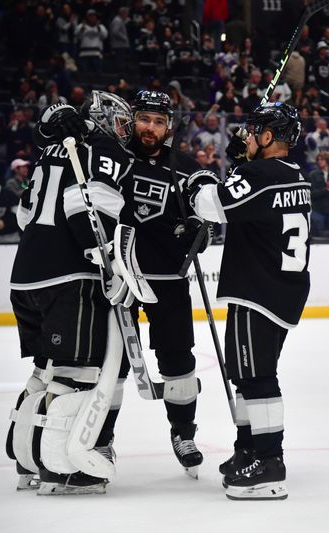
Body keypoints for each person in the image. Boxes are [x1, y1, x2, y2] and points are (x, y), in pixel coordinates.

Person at [7, 93, 134, 494]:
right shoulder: (103, 149)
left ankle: (26, 456)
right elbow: (87, 206)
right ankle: (60, 466)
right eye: (120, 123)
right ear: (102, 120)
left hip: (26, 275)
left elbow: (24, 215)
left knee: (45, 370)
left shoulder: (51, 151)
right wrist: (106, 263)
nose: (123, 132)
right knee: (75, 372)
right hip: (70, 278)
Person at [187, 102, 310, 500]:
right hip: (280, 290)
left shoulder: (259, 174)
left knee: (257, 378)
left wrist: (200, 179)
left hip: (257, 290)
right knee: (247, 375)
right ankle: (249, 449)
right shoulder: (293, 176)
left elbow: (213, 205)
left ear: (269, 137)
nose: (246, 136)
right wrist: (242, 168)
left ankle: (270, 463)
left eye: (254, 130)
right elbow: (253, 202)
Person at [120, 90, 213, 477]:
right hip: (118, 277)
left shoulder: (185, 167)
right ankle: (103, 438)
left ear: (169, 127)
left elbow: (206, 192)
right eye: (144, 119)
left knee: (178, 361)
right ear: (132, 121)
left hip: (167, 280)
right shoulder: (113, 158)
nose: (150, 128)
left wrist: (200, 226)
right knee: (114, 363)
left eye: (159, 122)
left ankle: (183, 432)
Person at [308, 151, 329, 237]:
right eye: (318, 159)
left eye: (322, 159)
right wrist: (325, 190)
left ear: (328, 160)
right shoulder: (313, 175)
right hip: (318, 209)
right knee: (317, 234)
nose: (319, 161)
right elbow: (310, 193)